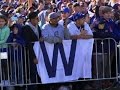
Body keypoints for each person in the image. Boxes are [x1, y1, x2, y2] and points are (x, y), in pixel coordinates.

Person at [22, 11, 42, 90]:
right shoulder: (26, 28)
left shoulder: (38, 26)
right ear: (32, 19)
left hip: (38, 52)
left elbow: (39, 37)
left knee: (38, 72)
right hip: (29, 54)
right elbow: (28, 43)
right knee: (32, 73)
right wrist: (33, 57)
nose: (38, 20)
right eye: (37, 18)